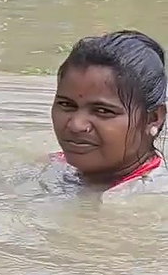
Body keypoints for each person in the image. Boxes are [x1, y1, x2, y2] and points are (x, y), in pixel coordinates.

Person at [50, 29, 168, 195]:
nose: (76, 125)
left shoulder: (153, 203)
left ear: (153, 118)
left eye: (102, 111)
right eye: (66, 104)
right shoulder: (56, 166)